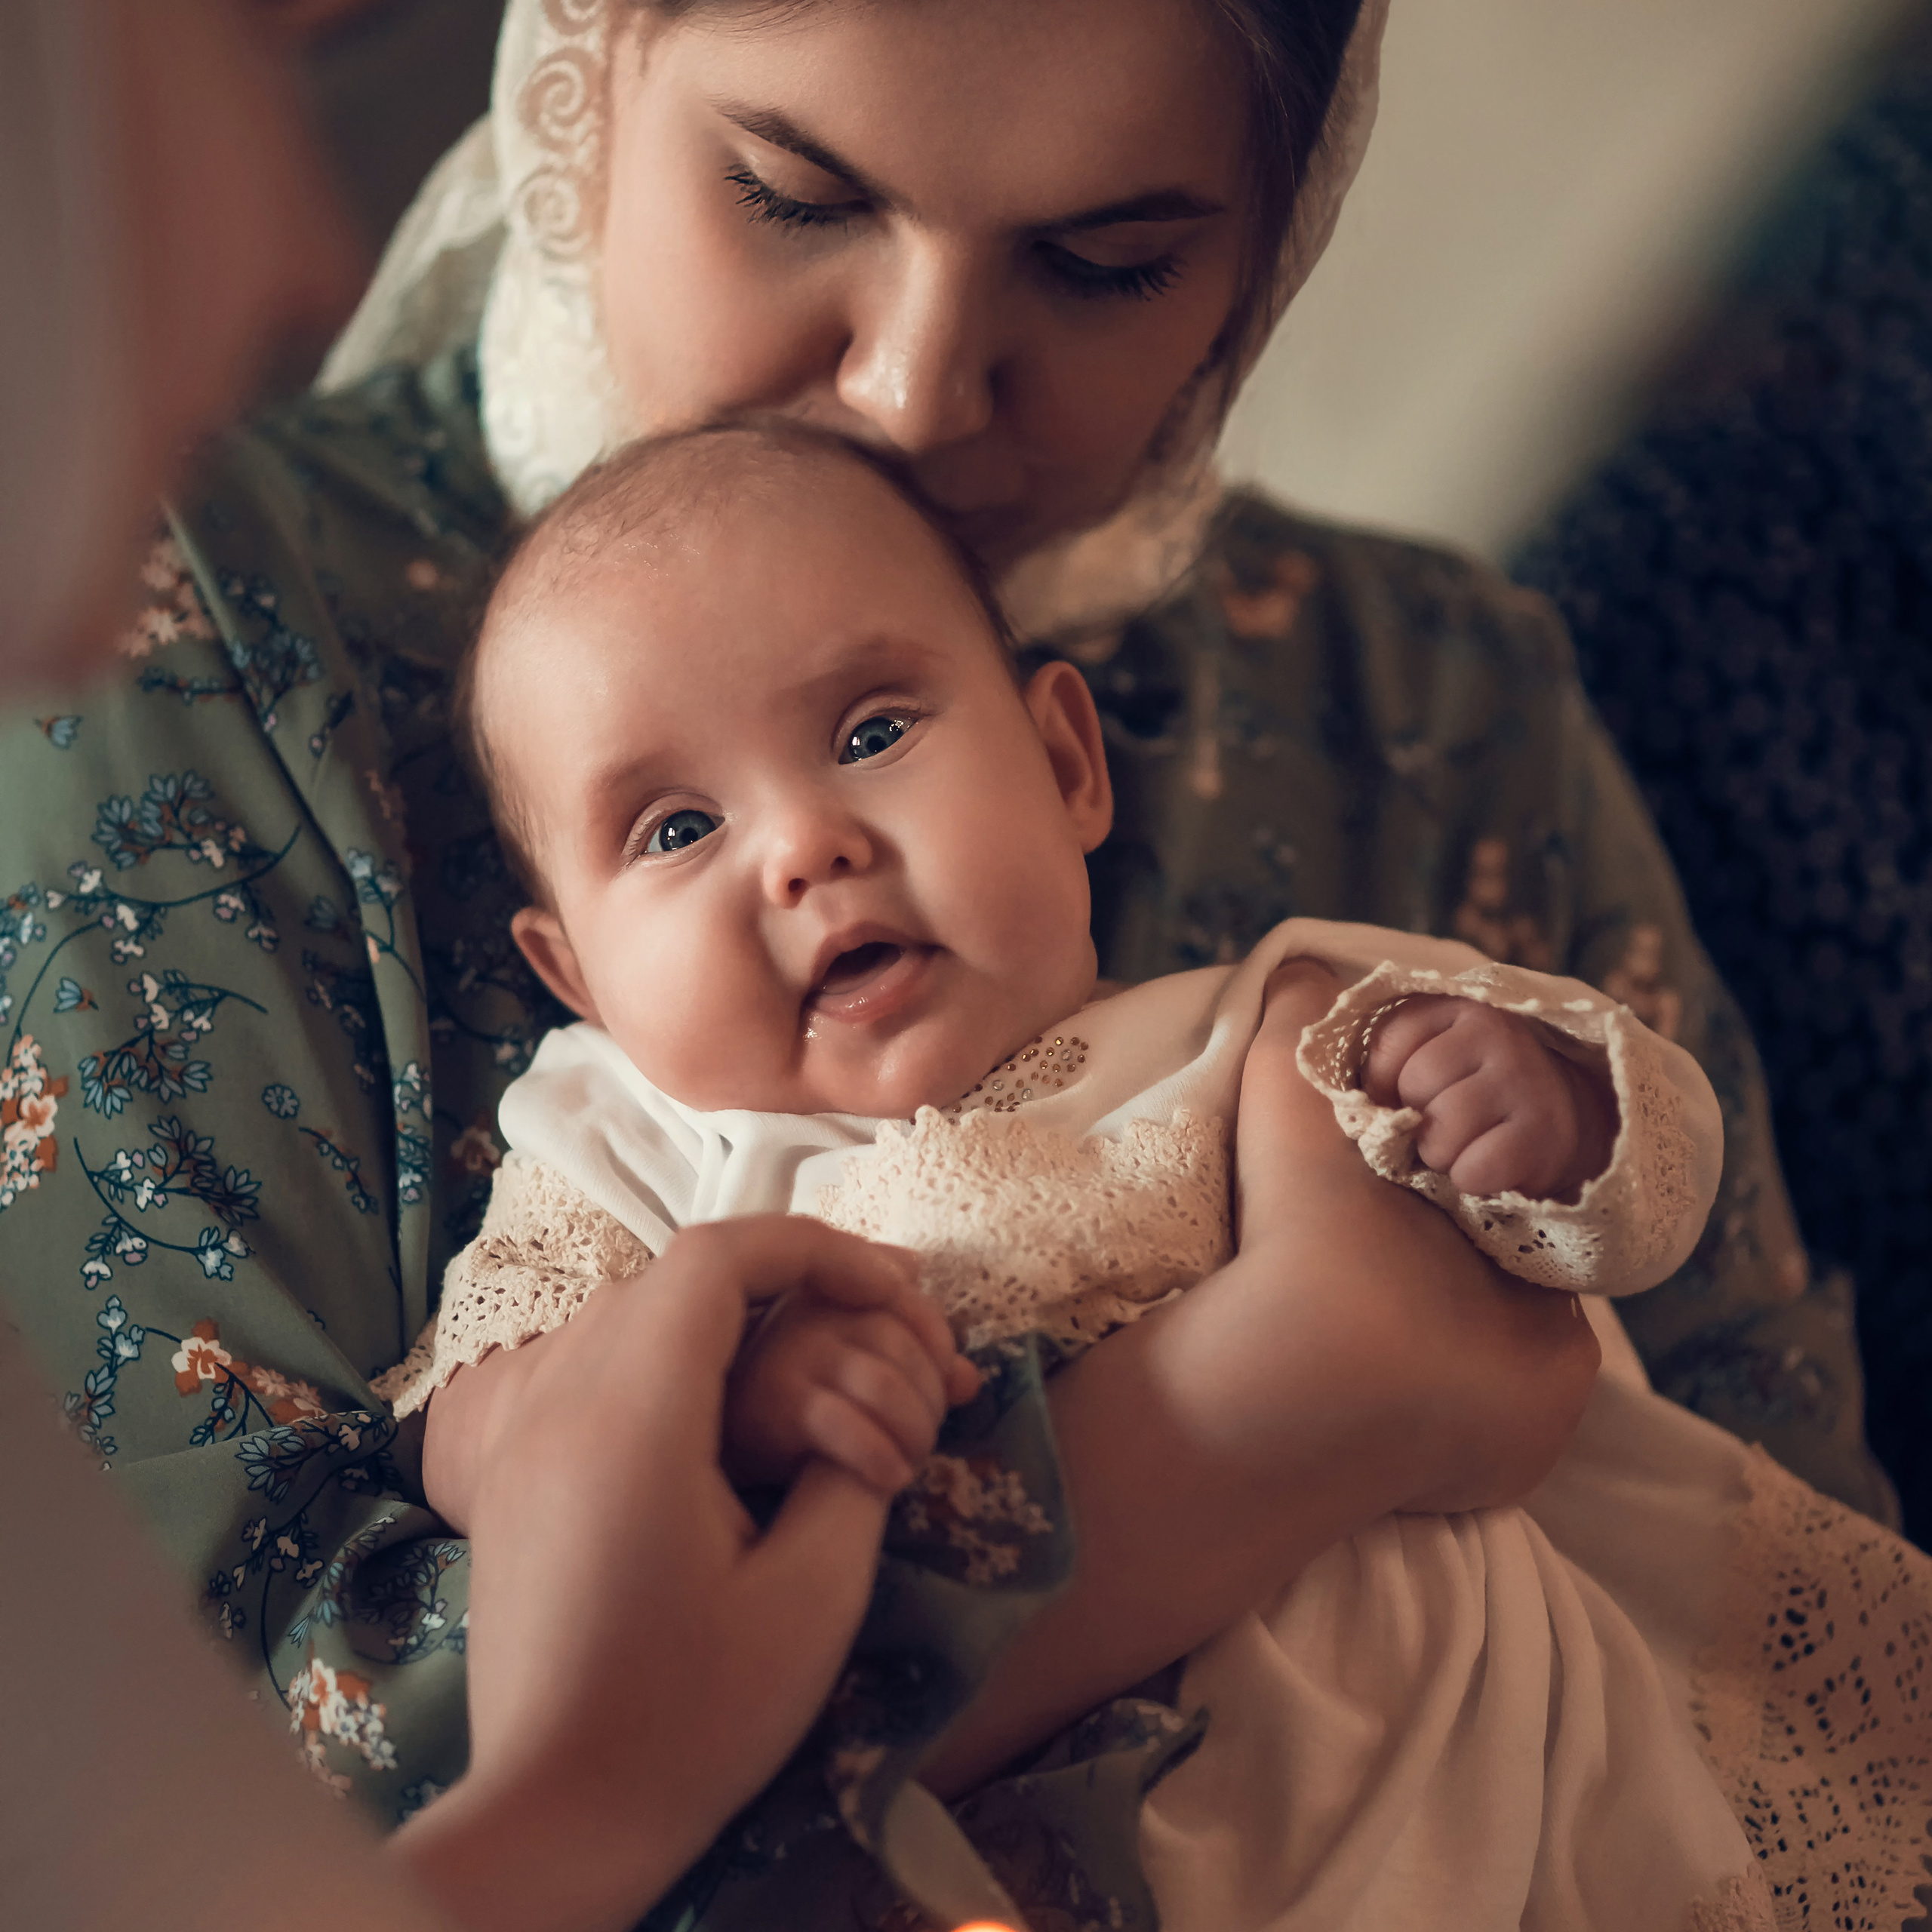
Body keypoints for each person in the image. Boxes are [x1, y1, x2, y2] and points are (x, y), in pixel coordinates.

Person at [0, 0, 1881, 1921]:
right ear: (587, 61)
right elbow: (264, 1754)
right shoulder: (141, 622)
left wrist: (1549, 1127)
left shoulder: (1426, 698)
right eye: (791, 196)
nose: (911, 390)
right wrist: (1276, 1410)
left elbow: (1762, 1540)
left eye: (1103, 263)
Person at [0, 5, 1001, 1932]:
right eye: (232, 58)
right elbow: (430, 1466)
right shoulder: (217, 658)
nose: (314, 244)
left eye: (1114, 258)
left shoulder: (1407, 740)